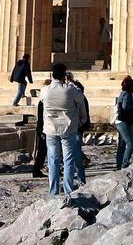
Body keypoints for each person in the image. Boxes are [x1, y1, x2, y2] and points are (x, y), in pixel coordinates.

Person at [39, 63, 83, 196]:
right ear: (64, 75)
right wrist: (72, 83)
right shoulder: (69, 90)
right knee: (68, 159)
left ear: (52, 75)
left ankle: (53, 191)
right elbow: (80, 97)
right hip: (67, 128)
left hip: (51, 129)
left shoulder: (45, 90)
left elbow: (42, 100)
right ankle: (68, 190)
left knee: (53, 160)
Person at [65, 72, 91, 184]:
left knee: (73, 154)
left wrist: (81, 122)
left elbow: (83, 112)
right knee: (73, 154)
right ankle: (74, 180)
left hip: (74, 128)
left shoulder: (75, 93)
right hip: (72, 127)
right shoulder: (72, 92)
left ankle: (79, 180)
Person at [113, 76, 133, 168]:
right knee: (131, 143)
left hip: (120, 121)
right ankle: (124, 164)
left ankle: (119, 165)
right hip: (125, 121)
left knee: (122, 144)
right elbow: (126, 107)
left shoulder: (122, 94)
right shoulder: (128, 95)